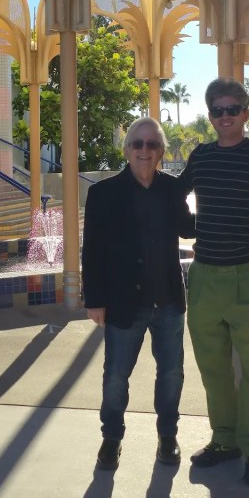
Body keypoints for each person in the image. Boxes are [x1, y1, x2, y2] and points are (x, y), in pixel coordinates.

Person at [179, 78, 249, 487]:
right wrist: (191, 227)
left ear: (245, 113)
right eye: (217, 111)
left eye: (232, 110)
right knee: (214, 368)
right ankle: (224, 440)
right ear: (210, 117)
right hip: (206, 275)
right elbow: (176, 194)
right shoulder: (202, 157)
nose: (224, 117)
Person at [81, 117, 195, 471]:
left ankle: (168, 437)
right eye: (138, 144)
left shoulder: (172, 190)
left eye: (152, 145)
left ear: (161, 152)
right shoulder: (103, 194)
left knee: (172, 374)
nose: (144, 151)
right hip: (123, 302)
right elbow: (93, 251)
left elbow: (189, 230)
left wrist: (199, 180)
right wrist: (95, 300)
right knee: (115, 376)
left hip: (169, 302)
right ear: (127, 149)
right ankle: (111, 439)